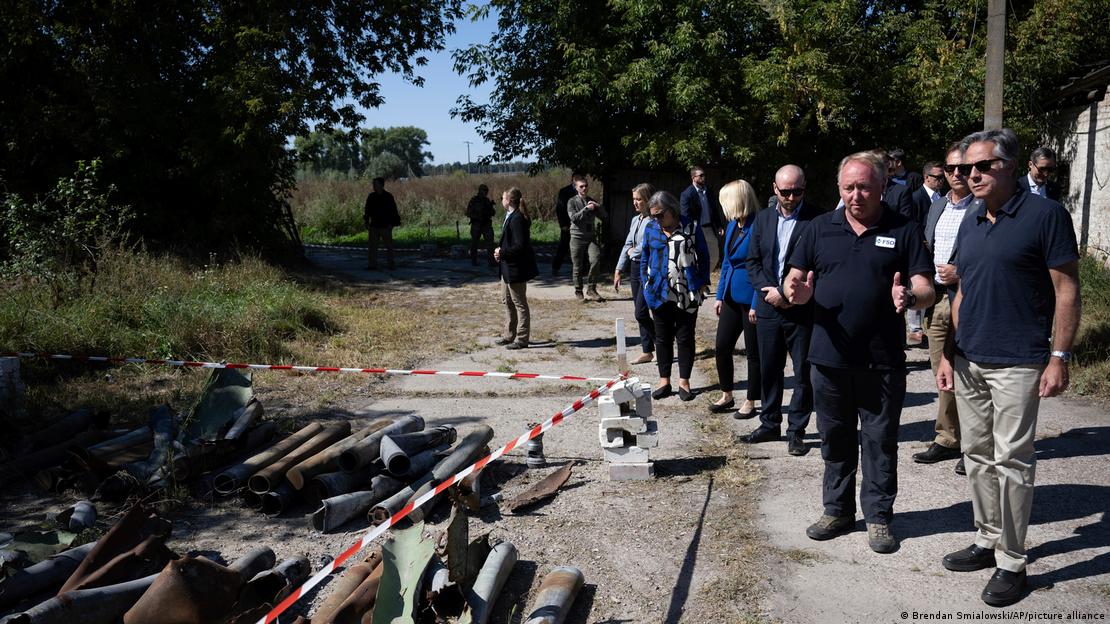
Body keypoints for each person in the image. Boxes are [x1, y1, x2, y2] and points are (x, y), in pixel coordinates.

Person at [936, 129, 1080, 607]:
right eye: (962, 169)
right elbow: (962, 292)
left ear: (1011, 167)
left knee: (1012, 462)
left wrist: (1058, 357)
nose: (969, 175)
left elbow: (1065, 290)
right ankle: (987, 537)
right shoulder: (974, 219)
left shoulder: (1045, 215)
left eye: (981, 166)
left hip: (1019, 360)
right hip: (969, 359)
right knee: (975, 456)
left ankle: (1012, 562)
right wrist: (947, 354)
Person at [784, 152, 935, 554]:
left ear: (882, 186)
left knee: (879, 441)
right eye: (849, 187)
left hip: (882, 360)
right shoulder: (818, 228)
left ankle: (880, 517)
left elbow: (927, 287)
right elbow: (793, 279)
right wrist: (794, 293)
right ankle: (837, 510)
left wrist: (911, 296)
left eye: (865, 186)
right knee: (834, 439)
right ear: (839, 189)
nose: (856, 195)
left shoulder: (903, 229)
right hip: (828, 359)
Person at [743, 165, 820, 456]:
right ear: (775, 189)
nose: (790, 197)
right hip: (769, 306)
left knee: (803, 370)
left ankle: (796, 430)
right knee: (769, 367)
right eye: (785, 191)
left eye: (796, 191)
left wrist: (791, 294)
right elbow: (752, 262)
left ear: (804, 188)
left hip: (802, 308)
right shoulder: (762, 220)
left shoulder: (817, 219)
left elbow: (820, 264)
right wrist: (771, 292)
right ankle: (769, 422)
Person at [914, 143, 979, 474]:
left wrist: (962, 272)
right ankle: (948, 437)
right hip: (937, 300)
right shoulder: (937, 207)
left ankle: (976, 447)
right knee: (943, 372)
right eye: (950, 169)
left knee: (970, 375)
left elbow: (991, 258)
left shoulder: (984, 207)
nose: (956, 174)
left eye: (962, 168)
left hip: (967, 299)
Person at [640, 190, 710, 402]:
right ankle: (664, 380)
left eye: (660, 214)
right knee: (662, 338)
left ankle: (684, 382)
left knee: (685, 338)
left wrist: (702, 281)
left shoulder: (691, 226)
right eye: (654, 216)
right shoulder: (651, 228)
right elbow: (645, 256)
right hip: (658, 292)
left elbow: (704, 255)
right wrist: (645, 283)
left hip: (686, 292)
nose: (657, 219)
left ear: (672, 210)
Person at [710, 180, 761, 418]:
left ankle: (751, 400)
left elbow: (763, 267)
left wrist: (756, 303)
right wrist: (720, 295)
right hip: (731, 295)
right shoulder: (732, 226)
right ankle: (727, 393)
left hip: (751, 297)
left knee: (753, 353)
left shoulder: (758, 226)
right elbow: (728, 262)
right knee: (721, 347)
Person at [613, 183, 657, 365]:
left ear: (647, 200)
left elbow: (645, 246)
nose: (636, 203)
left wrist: (633, 252)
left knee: (641, 312)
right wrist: (618, 269)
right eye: (634, 199)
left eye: (639, 199)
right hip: (634, 269)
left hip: (648, 269)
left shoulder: (654, 221)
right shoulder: (635, 220)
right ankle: (647, 351)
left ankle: (663, 344)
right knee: (640, 312)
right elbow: (627, 244)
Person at [906, 160, 947, 346]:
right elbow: (911, 222)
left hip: (936, 248)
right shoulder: (915, 197)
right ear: (926, 177)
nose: (941, 181)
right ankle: (915, 329)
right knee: (918, 284)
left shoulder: (943, 198)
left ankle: (926, 323)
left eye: (942, 177)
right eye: (937, 177)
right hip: (920, 247)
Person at [494, 187, 539, 351]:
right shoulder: (510, 216)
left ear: (508, 200)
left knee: (520, 303)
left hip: (516, 269)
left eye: (503, 197)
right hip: (506, 268)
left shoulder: (517, 219)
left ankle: (522, 338)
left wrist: (502, 252)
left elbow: (520, 246)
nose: (501, 200)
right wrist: (500, 252)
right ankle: (509, 334)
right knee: (507, 301)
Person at [567, 175, 606, 301]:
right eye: (581, 186)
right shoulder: (572, 201)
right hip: (577, 237)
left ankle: (591, 289)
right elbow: (574, 218)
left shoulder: (591, 200)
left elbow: (605, 216)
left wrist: (598, 206)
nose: (584, 188)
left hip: (591, 237)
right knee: (577, 266)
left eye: (586, 186)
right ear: (576, 188)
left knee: (595, 260)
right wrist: (585, 209)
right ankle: (578, 291)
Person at [680, 166, 726, 271]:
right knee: (696, 256)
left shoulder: (709, 192)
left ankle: (704, 276)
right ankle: (699, 279)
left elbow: (714, 210)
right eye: (700, 175)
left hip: (709, 228)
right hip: (696, 229)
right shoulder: (687, 194)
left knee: (714, 256)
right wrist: (689, 231)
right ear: (693, 177)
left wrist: (719, 226)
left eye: (704, 175)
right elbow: (685, 215)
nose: (703, 177)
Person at [363, 177, 401, 270]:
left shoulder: (388, 197)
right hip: (374, 226)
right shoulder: (371, 196)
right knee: (372, 247)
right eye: (373, 184)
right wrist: (366, 222)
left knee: (389, 247)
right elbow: (367, 210)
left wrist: (392, 224)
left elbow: (394, 211)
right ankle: (372, 265)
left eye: (376, 184)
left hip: (386, 226)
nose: (374, 186)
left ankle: (391, 265)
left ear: (381, 185)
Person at [551, 174, 577, 275]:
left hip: (579, 224)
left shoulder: (583, 190)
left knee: (581, 246)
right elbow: (560, 208)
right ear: (573, 179)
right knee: (564, 245)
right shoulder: (565, 191)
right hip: (567, 224)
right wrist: (563, 224)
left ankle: (581, 269)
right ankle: (555, 268)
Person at [466, 184, 496, 266]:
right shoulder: (474, 200)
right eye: (484, 190)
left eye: (486, 190)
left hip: (486, 224)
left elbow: (493, 213)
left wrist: (490, 207)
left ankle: (491, 261)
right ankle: (474, 260)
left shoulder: (487, 201)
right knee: (474, 243)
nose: (486, 192)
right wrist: (477, 216)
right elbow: (468, 212)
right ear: (480, 190)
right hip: (476, 224)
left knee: (490, 243)